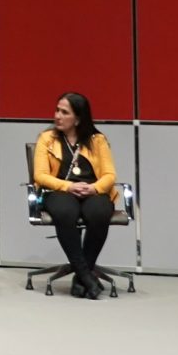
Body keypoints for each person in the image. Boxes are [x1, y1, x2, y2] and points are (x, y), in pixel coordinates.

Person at [32, 90, 119, 299]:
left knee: (99, 212)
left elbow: (109, 175)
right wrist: (68, 186)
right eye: (57, 110)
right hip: (59, 190)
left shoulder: (98, 140)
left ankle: (81, 276)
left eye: (64, 112)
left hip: (92, 190)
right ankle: (87, 278)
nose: (57, 116)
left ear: (78, 118)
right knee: (65, 212)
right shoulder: (47, 139)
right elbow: (40, 175)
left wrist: (94, 188)